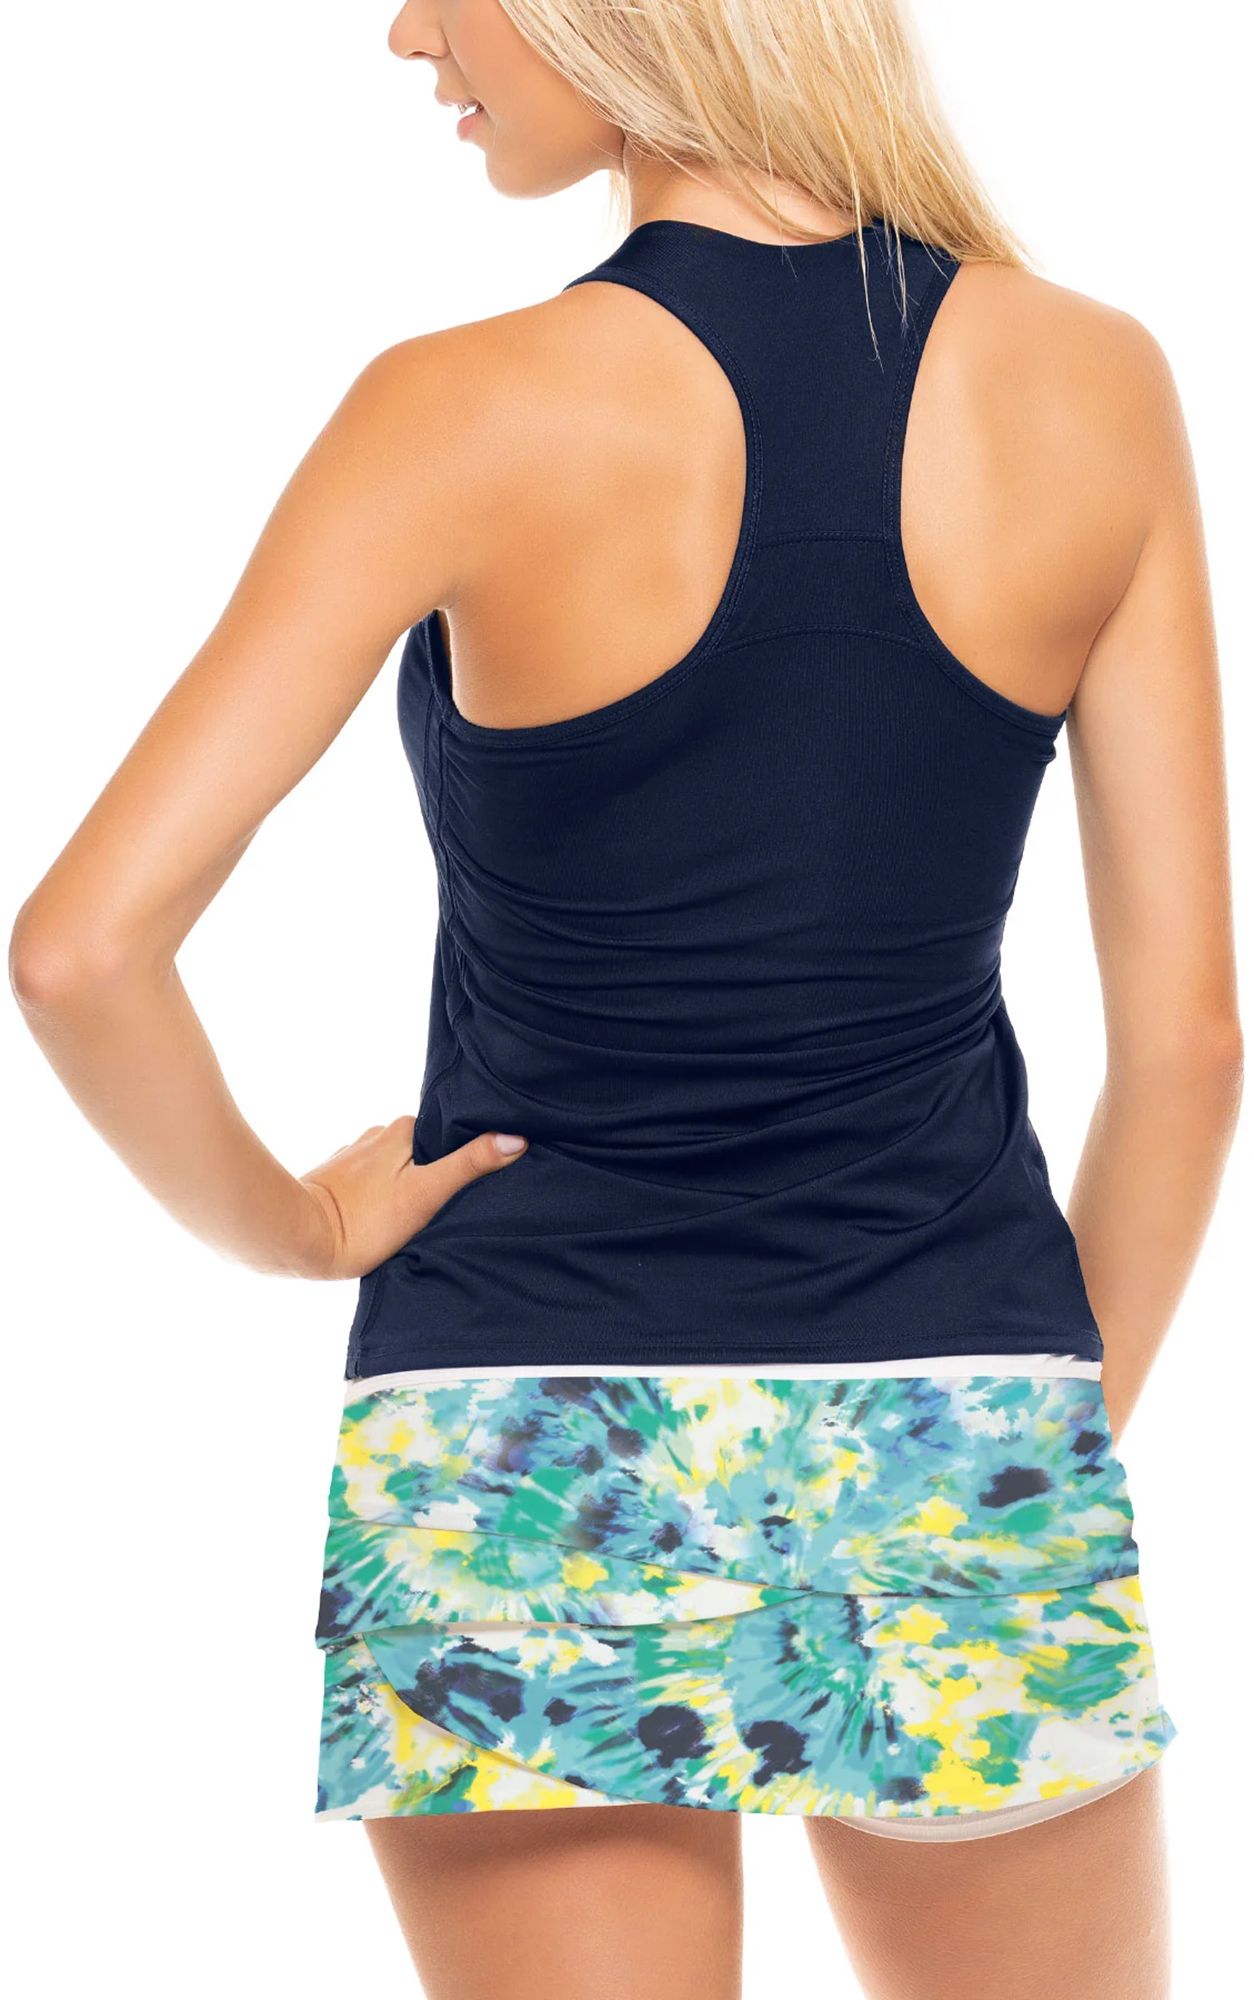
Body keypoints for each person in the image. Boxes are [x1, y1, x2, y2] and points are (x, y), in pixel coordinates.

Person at [9, 3, 1242, 1996]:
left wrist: (299, 1226)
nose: (406, 30)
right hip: (949, 1408)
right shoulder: (1092, 380)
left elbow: (81, 952)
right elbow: (1189, 1047)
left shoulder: (460, 407)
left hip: (520, 1431)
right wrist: (1029, 1435)